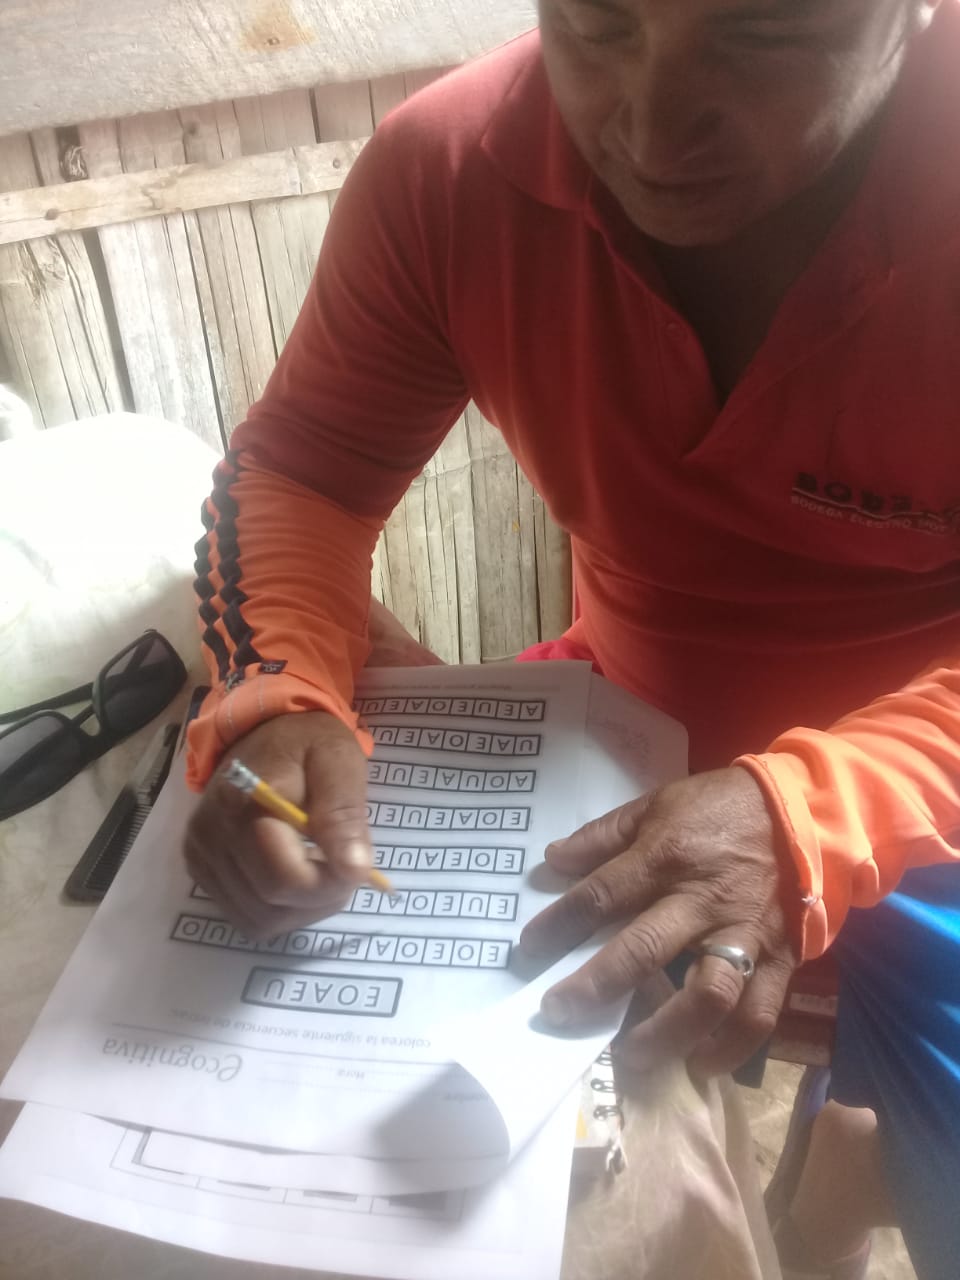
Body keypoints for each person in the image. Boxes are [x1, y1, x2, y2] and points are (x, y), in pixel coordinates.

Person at [183, 1, 960, 1276]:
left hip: (931, 792)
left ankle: (859, 1159)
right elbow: (304, 469)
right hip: (620, 724)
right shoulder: (449, 172)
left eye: (763, 37)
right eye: (596, 21)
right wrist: (281, 690)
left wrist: (808, 812)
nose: (649, 128)